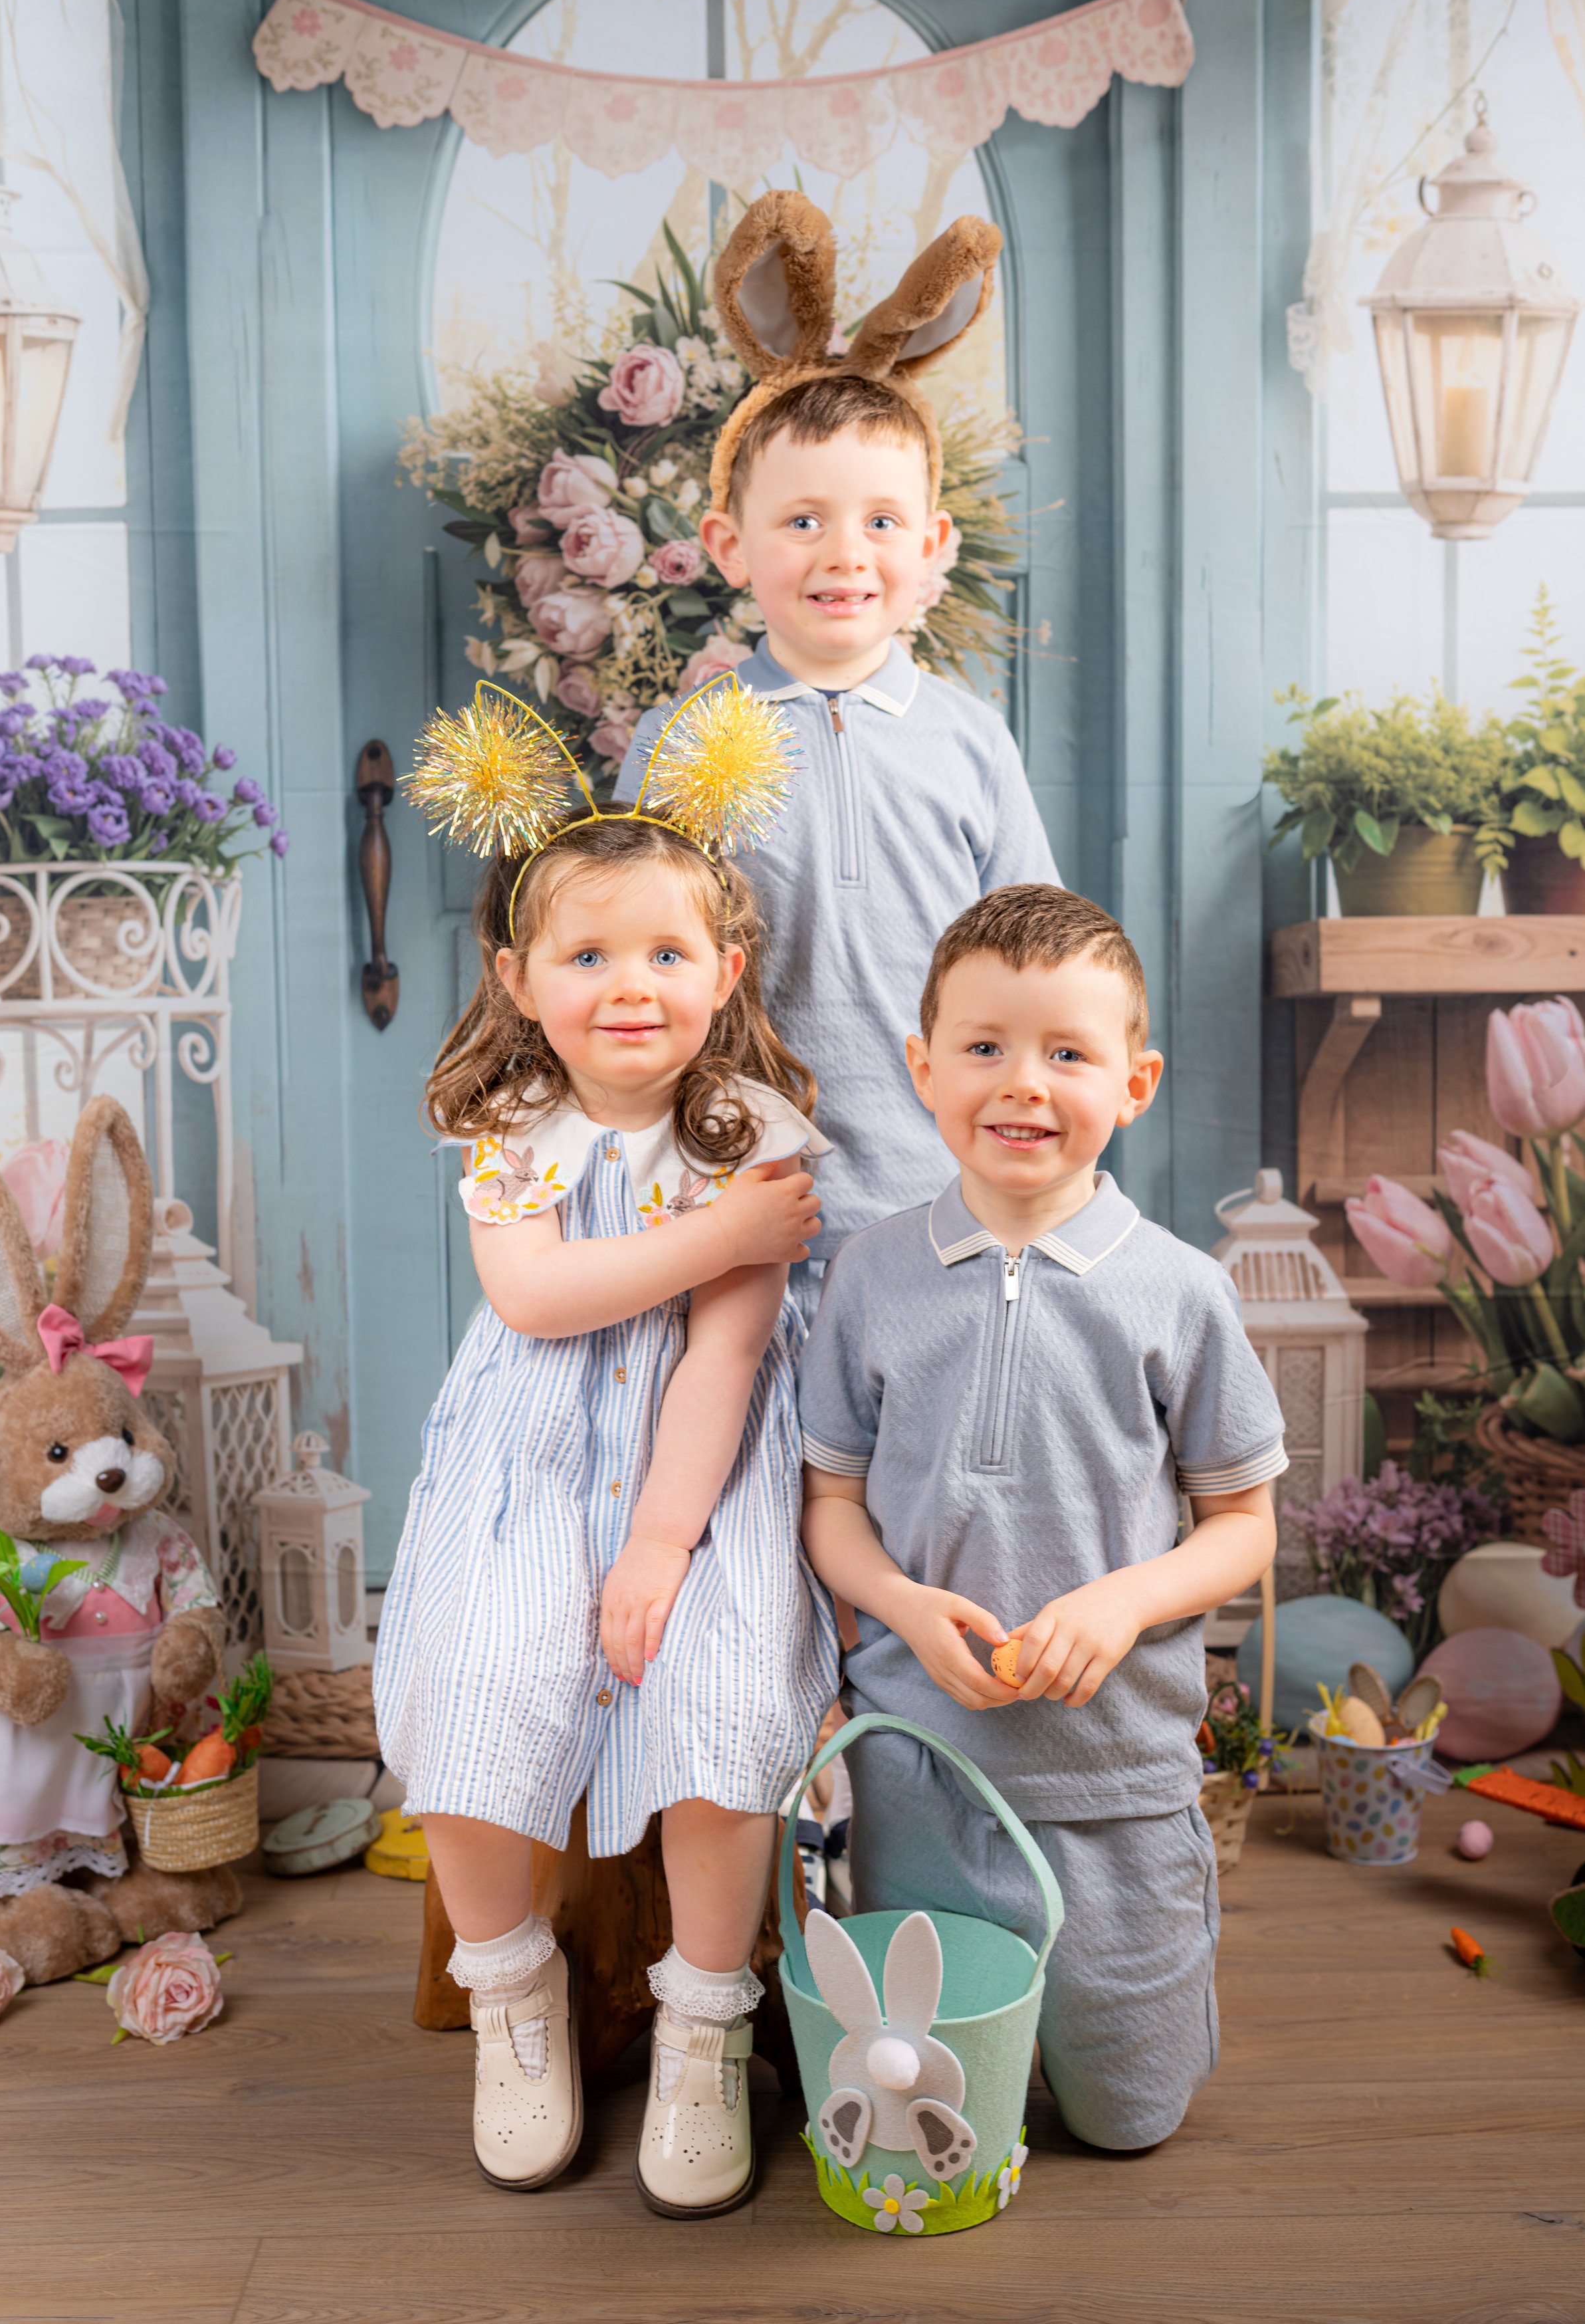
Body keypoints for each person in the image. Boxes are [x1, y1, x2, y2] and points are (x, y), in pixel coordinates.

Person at [373, 684, 838, 2215]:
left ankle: (706, 2015)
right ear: (516, 975)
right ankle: (516, 1991)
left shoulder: (753, 1132)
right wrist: (717, 1233)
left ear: (725, 963)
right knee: (478, 1671)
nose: (626, 985)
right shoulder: (509, 1119)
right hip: (520, 1463)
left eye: (662, 952)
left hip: (696, 1479)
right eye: (583, 954)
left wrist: (658, 1545)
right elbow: (536, 1293)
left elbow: (726, 1350)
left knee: (714, 1694)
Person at [797, 882, 1286, 2154]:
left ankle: (1133, 2009)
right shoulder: (868, 1277)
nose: (1023, 1083)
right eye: (985, 1047)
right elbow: (832, 1509)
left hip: (1114, 1774)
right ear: (921, 1068)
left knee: (1131, 2123)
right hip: (924, 1769)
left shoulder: (1180, 1293)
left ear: (1136, 1081)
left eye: (1068, 1052)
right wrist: (897, 1602)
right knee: (940, 2112)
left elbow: (1244, 1526)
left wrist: (1123, 1600)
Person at [619, 190, 1059, 1315]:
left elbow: (1038, 966)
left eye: (878, 522)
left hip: (947, 1205)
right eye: (802, 520)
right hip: (747, 1205)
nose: (843, 553)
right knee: (776, 1481)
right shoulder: (688, 742)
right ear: (730, 545)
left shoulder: (968, 742)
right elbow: (630, 959)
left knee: (926, 1478)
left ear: (931, 546)